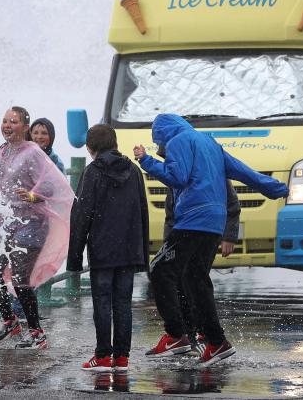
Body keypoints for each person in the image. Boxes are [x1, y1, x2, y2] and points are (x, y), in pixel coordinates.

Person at [135, 113, 288, 366]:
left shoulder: (177, 142)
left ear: (161, 135)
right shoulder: (210, 143)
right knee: (195, 278)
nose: (162, 150)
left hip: (192, 219)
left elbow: (177, 177)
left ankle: (176, 336)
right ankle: (216, 342)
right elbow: (242, 171)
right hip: (214, 222)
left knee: (160, 270)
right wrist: (275, 187)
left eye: (159, 144)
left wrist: (147, 161)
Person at [0, 106, 74, 350]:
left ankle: (37, 332)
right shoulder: (3, 151)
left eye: (13, 121)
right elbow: (1, 187)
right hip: (7, 222)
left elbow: (53, 184)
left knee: (20, 279)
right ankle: (10, 321)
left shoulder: (33, 152)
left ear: (25, 127)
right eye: (4, 120)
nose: (7, 125)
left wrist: (34, 195)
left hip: (32, 223)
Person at [67, 124, 149, 373]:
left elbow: (82, 215)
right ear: (115, 144)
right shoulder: (134, 171)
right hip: (128, 249)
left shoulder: (92, 172)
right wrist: (142, 253)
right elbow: (142, 212)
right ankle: (122, 358)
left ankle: (103, 356)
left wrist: (74, 257)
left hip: (102, 249)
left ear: (90, 148)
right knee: (123, 303)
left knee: (102, 302)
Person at [163, 169, 241, 353]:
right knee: (180, 283)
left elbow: (232, 204)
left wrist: (229, 235)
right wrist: (168, 243)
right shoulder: (179, 169)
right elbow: (171, 213)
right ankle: (188, 335)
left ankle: (207, 336)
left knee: (195, 281)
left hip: (204, 233)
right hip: (182, 235)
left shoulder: (209, 167)